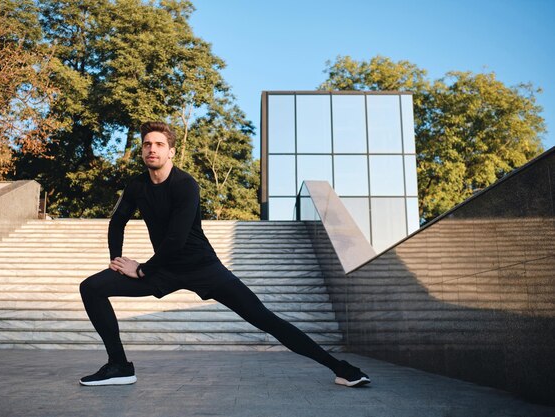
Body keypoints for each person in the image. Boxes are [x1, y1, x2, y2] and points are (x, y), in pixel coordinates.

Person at [79, 121, 370, 388]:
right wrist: (117, 261)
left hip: (203, 268)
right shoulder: (137, 185)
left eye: (158, 144)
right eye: (146, 144)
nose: (151, 149)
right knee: (91, 287)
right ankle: (119, 365)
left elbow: (176, 240)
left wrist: (142, 269)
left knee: (264, 318)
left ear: (171, 152)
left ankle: (341, 368)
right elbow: (118, 221)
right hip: (164, 270)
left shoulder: (185, 185)